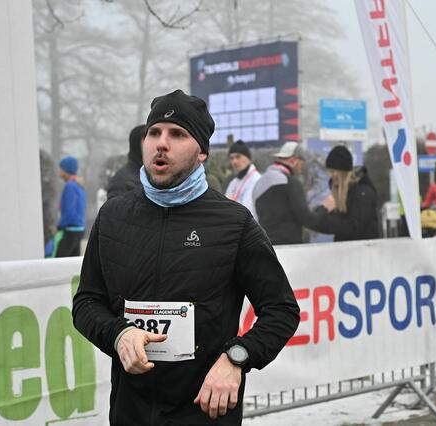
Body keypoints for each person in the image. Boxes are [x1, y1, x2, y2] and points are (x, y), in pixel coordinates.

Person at [72, 89, 300, 425]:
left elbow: (281, 310)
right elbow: (87, 302)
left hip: (204, 410)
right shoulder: (114, 216)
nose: (161, 144)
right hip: (131, 411)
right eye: (154, 132)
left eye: (177, 134)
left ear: (201, 152)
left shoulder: (233, 223)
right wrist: (119, 334)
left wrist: (236, 358)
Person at [252, 141, 321, 244]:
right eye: (301, 163)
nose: (301, 169)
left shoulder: (258, 184)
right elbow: (307, 219)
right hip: (290, 247)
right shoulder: (290, 182)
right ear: (294, 160)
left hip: (266, 247)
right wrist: (323, 209)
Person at [312, 145, 380, 241]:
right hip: (344, 247)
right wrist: (318, 216)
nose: (330, 175)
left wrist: (324, 218)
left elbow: (354, 226)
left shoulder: (363, 192)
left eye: (333, 171)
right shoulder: (340, 192)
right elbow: (335, 224)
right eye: (329, 171)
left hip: (364, 247)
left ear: (342, 172)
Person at [54, 156, 86, 257]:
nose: (60, 173)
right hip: (79, 229)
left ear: (66, 171)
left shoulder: (70, 186)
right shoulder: (79, 185)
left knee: (59, 261)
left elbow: (69, 211)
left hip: (71, 230)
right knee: (73, 262)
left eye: (61, 170)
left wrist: (59, 226)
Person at [107, 124, 146, 200]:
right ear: (136, 145)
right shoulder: (121, 181)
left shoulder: (152, 176)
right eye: (147, 140)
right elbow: (115, 207)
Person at [224, 140, 260, 214]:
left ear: (248, 158)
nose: (234, 162)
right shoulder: (234, 182)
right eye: (231, 158)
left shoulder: (257, 180)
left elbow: (248, 210)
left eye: (238, 157)